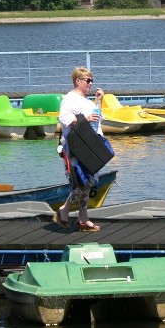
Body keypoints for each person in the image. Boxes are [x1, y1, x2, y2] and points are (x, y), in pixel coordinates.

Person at [54, 66, 105, 232]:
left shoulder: (87, 100)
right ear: (77, 81)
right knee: (83, 183)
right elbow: (64, 117)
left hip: (90, 146)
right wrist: (84, 119)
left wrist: (98, 100)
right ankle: (65, 209)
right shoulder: (71, 98)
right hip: (78, 147)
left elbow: (96, 117)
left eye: (92, 80)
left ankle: (83, 218)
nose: (90, 83)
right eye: (87, 80)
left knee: (88, 184)